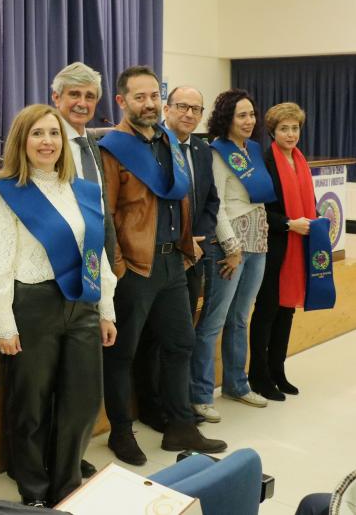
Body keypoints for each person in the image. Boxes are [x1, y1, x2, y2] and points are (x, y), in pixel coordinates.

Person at [0, 104, 118, 507]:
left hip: (82, 305)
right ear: (22, 142)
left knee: (83, 399)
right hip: (32, 305)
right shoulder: (8, 195)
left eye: (54, 134)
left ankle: (67, 481)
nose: (47, 142)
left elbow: (98, 255)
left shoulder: (83, 191)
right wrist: (3, 323)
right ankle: (34, 488)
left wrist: (106, 309)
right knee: (31, 404)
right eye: (37, 134)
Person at [99, 66, 226, 466]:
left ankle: (180, 426)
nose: (150, 103)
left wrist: (188, 247)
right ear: (121, 102)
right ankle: (120, 432)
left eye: (155, 95)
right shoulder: (111, 148)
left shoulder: (167, 142)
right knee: (122, 354)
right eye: (140, 97)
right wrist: (119, 268)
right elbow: (107, 214)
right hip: (135, 268)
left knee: (179, 345)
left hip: (175, 263)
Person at [134, 86, 220, 431]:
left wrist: (198, 239)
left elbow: (210, 201)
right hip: (158, 256)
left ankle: (177, 405)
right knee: (152, 339)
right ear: (167, 109)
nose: (188, 114)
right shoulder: (154, 146)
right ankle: (151, 408)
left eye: (196, 109)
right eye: (182, 106)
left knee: (181, 337)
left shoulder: (200, 148)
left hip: (193, 254)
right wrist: (185, 240)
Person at [190, 89, 276, 422]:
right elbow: (218, 205)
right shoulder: (216, 152)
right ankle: (200, 394)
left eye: (252, 114)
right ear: (226, 117)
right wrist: (232, 247)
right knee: (213, 321)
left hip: (259, 240)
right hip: (229, 246)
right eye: (242, 115)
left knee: (240, 318)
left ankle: (236, 385)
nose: (249, 120)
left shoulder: (252, 149)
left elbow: (259, 197)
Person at [50, 61, 118, 479]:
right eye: (73, 94)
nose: (82, 102)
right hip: (56, 276)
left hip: (95, 272)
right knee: (53, 383)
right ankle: (49, 463)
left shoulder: (92, 143)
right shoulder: (44, 141)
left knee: (81, 383)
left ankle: (69, 457)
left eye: (89, 96)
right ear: (55, 97)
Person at [248, 102, 313, 400]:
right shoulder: (264, 162)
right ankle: (259, 377)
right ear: (272, 132)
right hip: (273, 247)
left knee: (286, 312)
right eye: (284, 128)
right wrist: (289, 223)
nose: (290, 134)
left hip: (298, 247)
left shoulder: (300, 161)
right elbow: (259, 209)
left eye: (295, 128)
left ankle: (278, 370)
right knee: (266, 312)